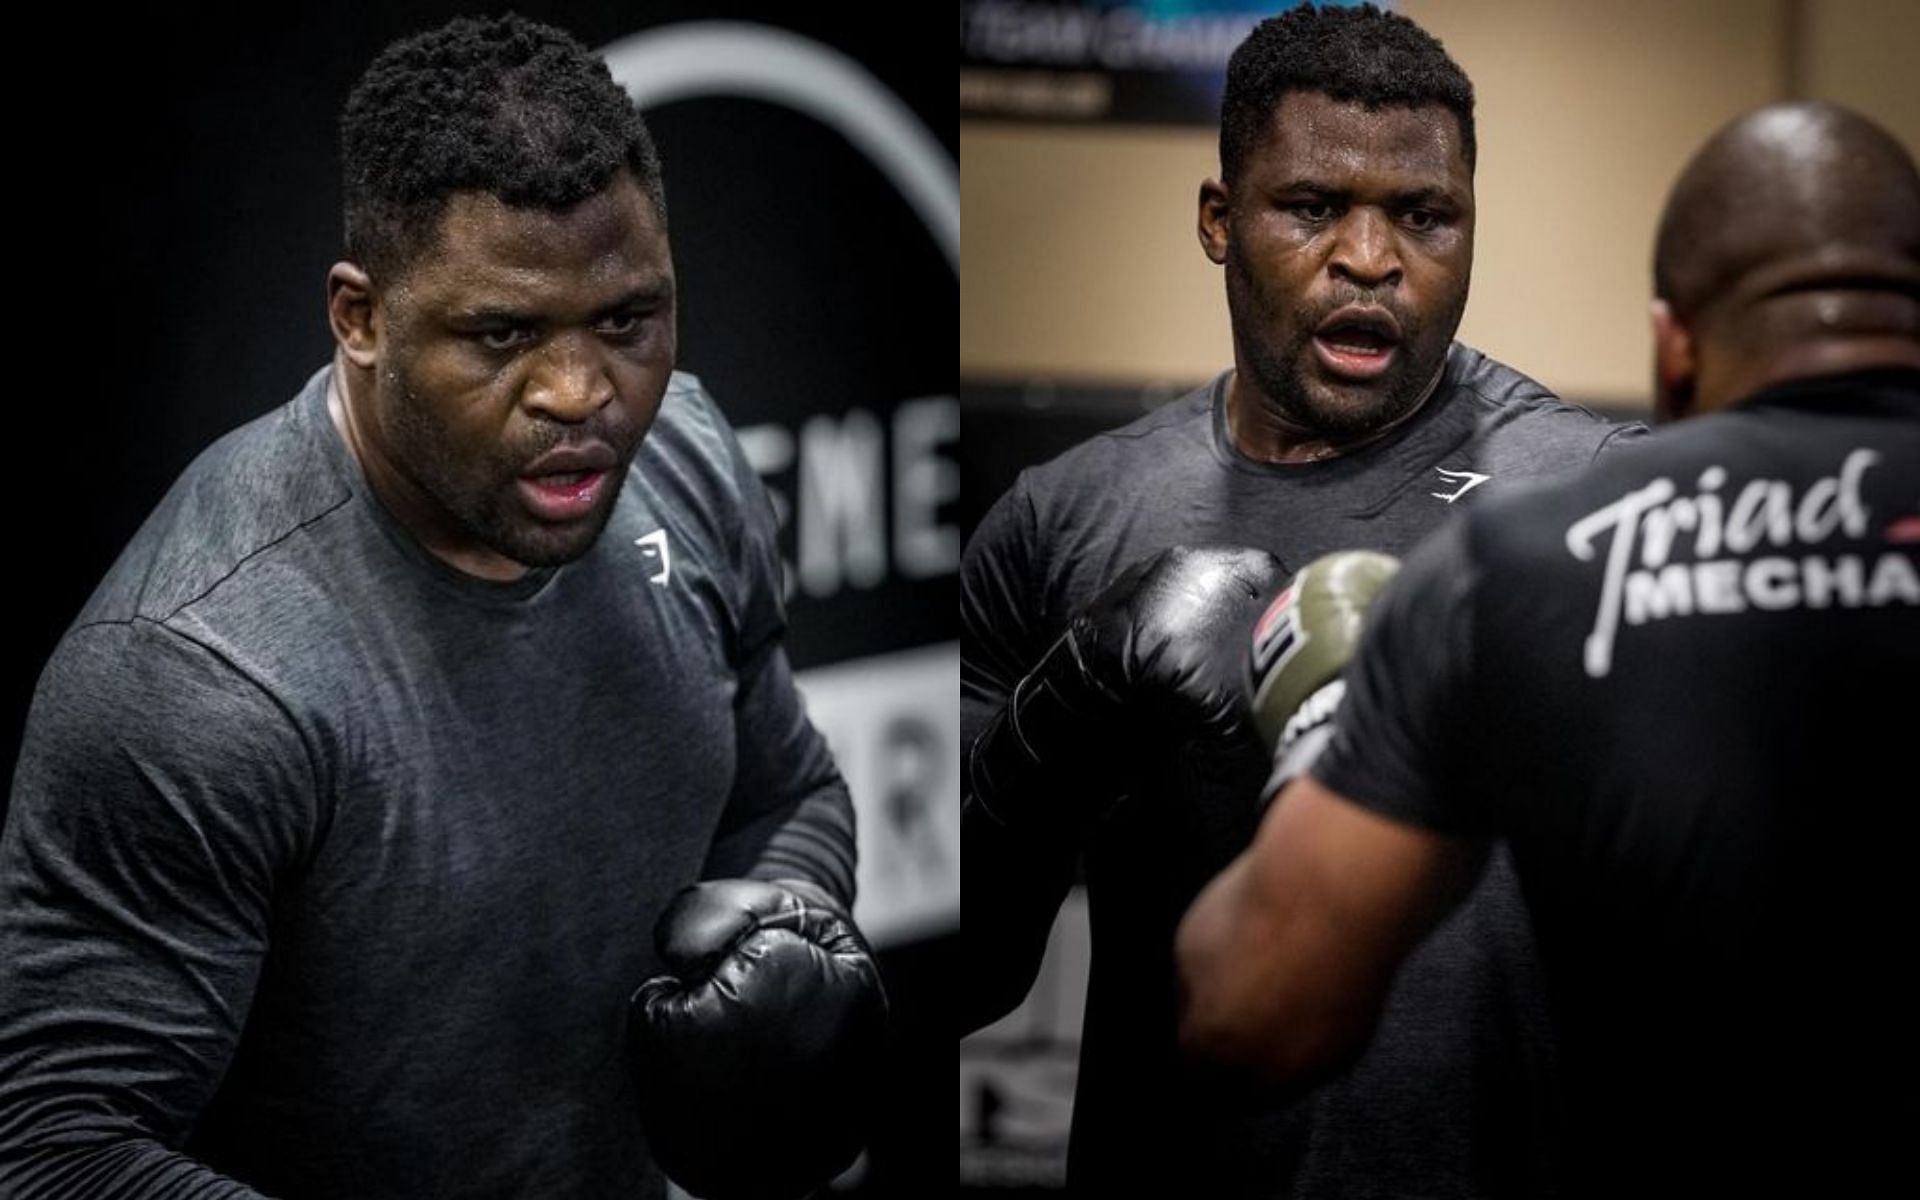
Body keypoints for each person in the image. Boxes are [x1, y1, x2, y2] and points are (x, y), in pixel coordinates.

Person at [0, 15, 882, 1200]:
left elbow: (785, 791)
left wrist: (794, 944)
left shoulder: (686, 454)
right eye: (501, 334)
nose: (582, 396)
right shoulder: (198, 671)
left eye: (627, 321)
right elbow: (57, 1150)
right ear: (360, 319)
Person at [1177, 100, 1920, 1195]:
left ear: (1675, 350)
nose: (1369, 259)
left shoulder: (1517, 566)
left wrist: (1331, 712)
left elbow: (1250, 1012)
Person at [962, 3, 1642, 1194]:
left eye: (1425, 216)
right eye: (1315, 207)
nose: (1372, 259)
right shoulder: (1059, 520)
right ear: (1221, 221)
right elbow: (964, 972)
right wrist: (1057, 735)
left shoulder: (1596, 499)